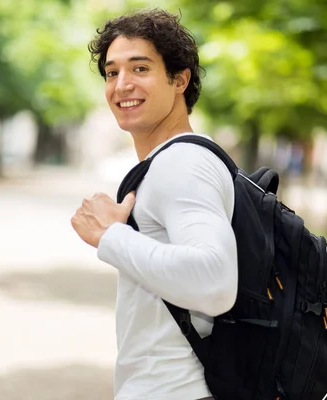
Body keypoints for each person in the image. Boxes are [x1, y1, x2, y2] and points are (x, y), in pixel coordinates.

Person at [71, 9, 238, 400]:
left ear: (179, 79)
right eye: (112, 73)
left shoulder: (182, 164)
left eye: (140, 68)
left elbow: (215, 280)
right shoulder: (170, 162)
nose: (122, 85)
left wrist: (108, 235)